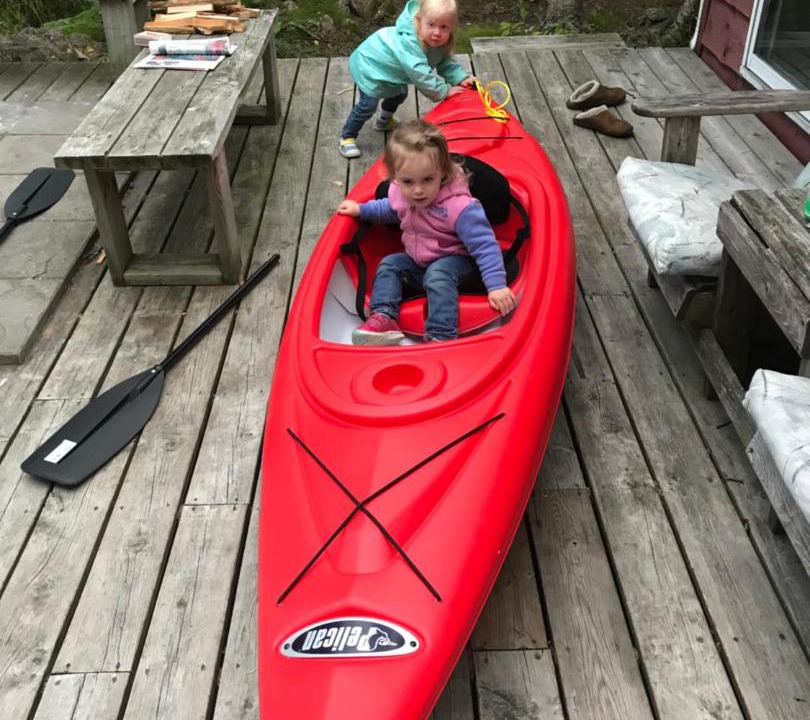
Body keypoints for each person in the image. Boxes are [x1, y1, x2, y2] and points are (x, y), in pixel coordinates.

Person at [337, 120, 517, 345]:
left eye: (428, 179)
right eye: (408, 181)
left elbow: (485, 246)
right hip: (420, 260)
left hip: (460, 262)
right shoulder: (399, 193)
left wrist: (497, 286)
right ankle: (383, 318)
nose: (418, 190)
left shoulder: (461, 208)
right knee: (389, 264)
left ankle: (441, 335)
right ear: (395, 177)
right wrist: (361, 210)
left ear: (443, 173)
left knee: (438, 274)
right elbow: (391, 209)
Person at [339, 0, 477, 159]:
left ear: (452, 28)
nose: (437, 32)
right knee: (367, 105)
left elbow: (444, 62)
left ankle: (384, 121)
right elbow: (419, 72)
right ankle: (347, 136)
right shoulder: (410, 42)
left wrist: (461, 78)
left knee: (399, 94)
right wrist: (444, 91)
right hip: (370, 65)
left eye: (444, 27)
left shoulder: (438, 42)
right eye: (431, 25)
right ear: (418, 21)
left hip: (390, 71)